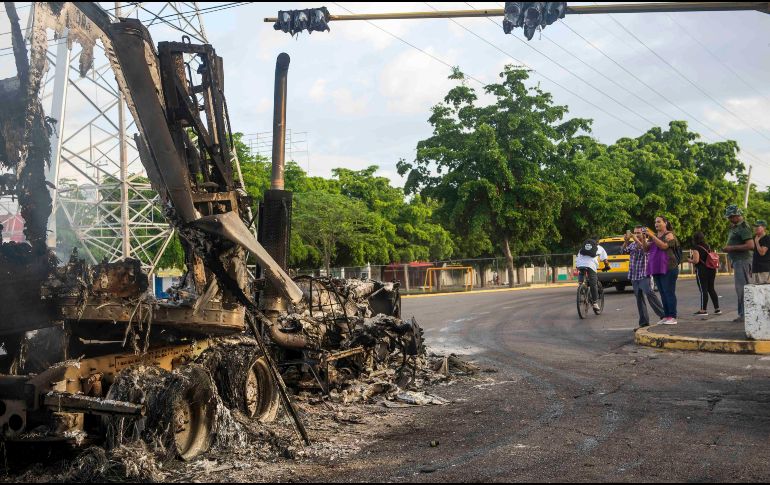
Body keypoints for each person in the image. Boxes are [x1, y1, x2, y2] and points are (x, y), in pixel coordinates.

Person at [622, 226, 664, 328]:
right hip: (634, 275)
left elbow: (644, 249)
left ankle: (663, 315)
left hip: (644, 274)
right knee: (639, 299)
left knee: (649, 293)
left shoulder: (648, 243)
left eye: (638, 233)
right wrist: (626, 241)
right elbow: (623, 251)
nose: (636, 235)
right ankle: (644, 322)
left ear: (644, 234)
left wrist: (635, 239)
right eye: (635, 233)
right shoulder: (632, 244)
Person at [642, 216, 680, 325]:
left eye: (659, 221)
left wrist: (652, 236)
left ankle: (672, 316)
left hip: (669, 267)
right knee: (663, 293)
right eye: (655, 222)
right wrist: (644, 238)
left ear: (665, 223)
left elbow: (664, 246)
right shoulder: (654, 236)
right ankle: (666, 316)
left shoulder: (669, 234)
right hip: (657, 268)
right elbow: (645, 249)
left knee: (669, 292)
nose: (656, 224)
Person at [723, 205, 754, 322]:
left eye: (731, 217)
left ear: (737, 215)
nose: (729, 219)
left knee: (743, 288)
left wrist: (731, 248)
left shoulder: (743, 227)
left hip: (743, 261)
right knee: (740, 288)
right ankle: (743, 314)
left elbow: (750, 245)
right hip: (738, 261)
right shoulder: (734, 227)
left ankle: (745, 315)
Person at [688, 231, 721, 316]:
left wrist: (690, 260)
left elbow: (696, 260)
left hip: (702, 270)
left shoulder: (696, 248)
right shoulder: (707, 246)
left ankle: (703, 310)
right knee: (711, 289)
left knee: (703, 290)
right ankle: (717, 309)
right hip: (711, 269)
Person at [575, 237, 610, 311]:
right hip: (591, 266)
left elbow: (578, 257)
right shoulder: (599, 248)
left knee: (581, 272)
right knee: (593, 284)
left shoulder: (583, 247)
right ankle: (595, 303)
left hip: (580, 264)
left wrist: (578, 266)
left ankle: (581, 285)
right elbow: (605, 261)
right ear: (597, 242)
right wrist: (607, 266)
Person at [753, 220, 770, 285]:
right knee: (756, 292)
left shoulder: (767, 238)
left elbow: (762, 253)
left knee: (765, 292)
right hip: (756, 269)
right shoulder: (755, 237)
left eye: (758, 226)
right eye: (754, 226)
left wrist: (757, 242)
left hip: (764, 270)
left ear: (764, 227)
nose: (755, 228)